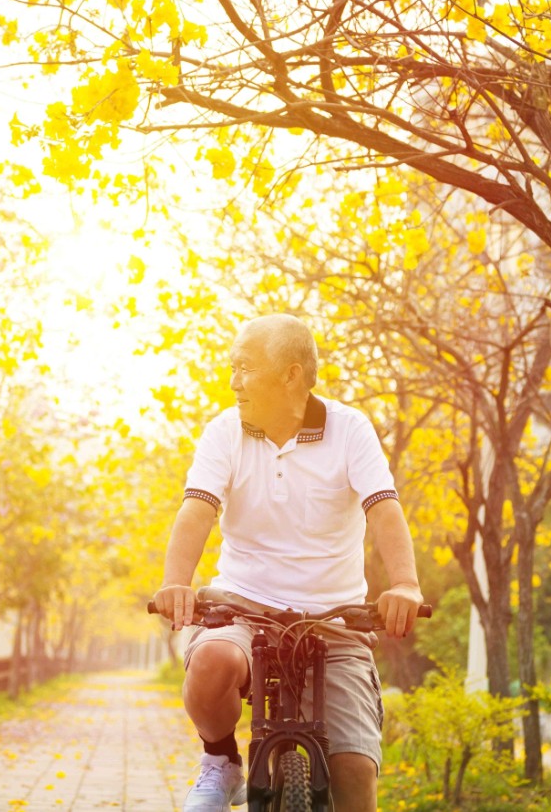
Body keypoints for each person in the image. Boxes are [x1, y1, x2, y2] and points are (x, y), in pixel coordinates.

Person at [152, 314, 423, 812]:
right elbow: (197, 511)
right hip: (243, 612)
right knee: (211, 660)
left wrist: (404, 584)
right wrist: (176, 582)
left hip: (333, 623)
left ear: (291, 375)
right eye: (233, 368)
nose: (234, 381)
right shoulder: (225, 431)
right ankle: (221, 761)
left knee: (355, 774)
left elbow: (384, 508)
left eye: (245, 368)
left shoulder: (349, 430)